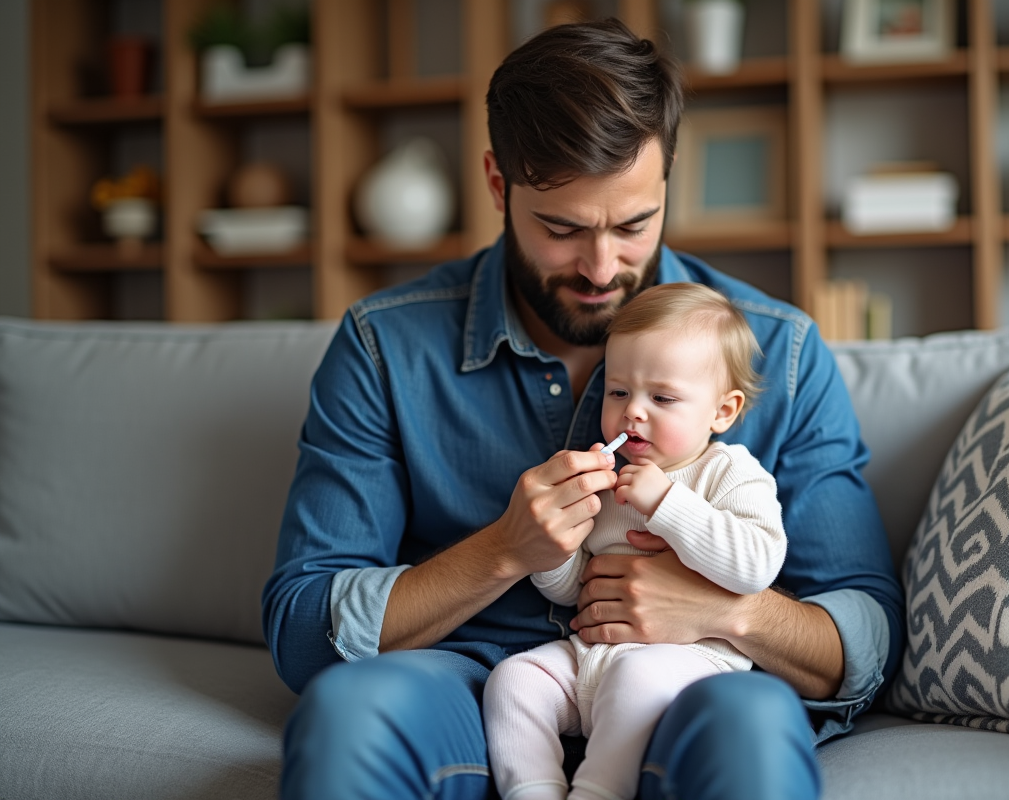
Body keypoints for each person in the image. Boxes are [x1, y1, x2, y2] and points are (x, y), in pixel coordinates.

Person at [262, 17, 903, 800]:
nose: (602, 269)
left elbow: (866, 636)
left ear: (667, 180)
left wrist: (727, 612)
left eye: (633, 225)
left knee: (751, 730)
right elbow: (302, 625)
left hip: (693, 683)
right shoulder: (383, 348)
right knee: (347, 716)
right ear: (500, 186)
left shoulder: (784, 354)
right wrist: (503, 551)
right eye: (562, 228)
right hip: (468, 685)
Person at [484, 283, 788, 800]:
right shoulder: (608, 481)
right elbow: (569, 591)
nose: (633, 413)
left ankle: (599, 791)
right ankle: (532, 790)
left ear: (723, 411)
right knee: (513, 680)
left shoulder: (730, 472)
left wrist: (668, 504)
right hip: (592, 658)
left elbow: (756, 567)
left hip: (688, 664)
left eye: (662, 398)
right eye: (619, 392)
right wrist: (554, 548)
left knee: (637, 677)